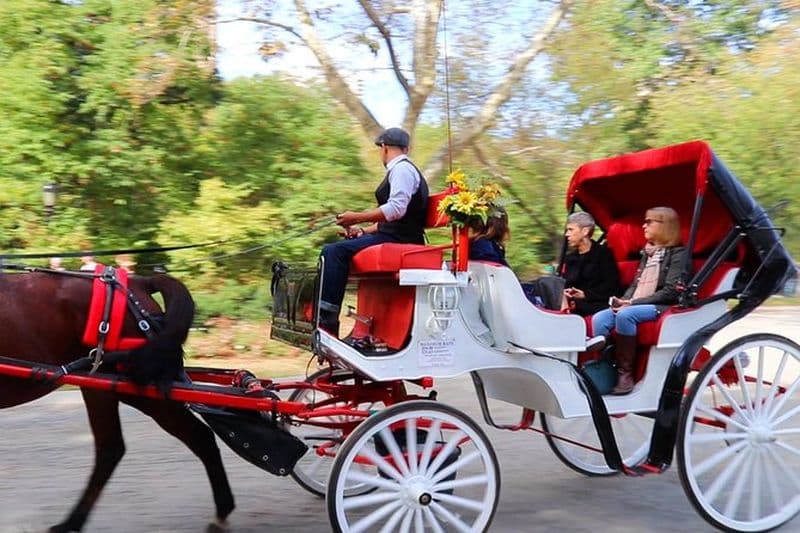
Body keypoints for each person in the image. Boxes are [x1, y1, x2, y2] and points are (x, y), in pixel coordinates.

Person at [318, 127, 429, 336]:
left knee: (333, 252)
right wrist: (362, 231)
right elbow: (394, 219)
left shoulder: (402, 170)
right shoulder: (402, 169)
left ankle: (326, 322)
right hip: (395, 234)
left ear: (384, 148)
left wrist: (357, 216)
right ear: (406, 148)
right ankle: (329, 319)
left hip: (401, 240)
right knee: (337, 250)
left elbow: (396, 209)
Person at [591, 206, 687, 394]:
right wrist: (624, 300)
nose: (644, 226)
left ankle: (624, 373)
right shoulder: (648, 253)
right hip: (638, 303)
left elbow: (670, 292)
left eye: (649, 221)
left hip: (663, 305)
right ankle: (606, 364)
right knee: (600, 318)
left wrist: (632, 304)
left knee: (626, 316)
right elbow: (636, 284)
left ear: (665, 225)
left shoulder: (678, 254)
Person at [559, 212, 620, 316]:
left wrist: (585, 294)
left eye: (571, 229)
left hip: (596, 302)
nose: (567, 234)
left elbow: (611, 285)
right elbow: (567, 283)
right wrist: (568, 293)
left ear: (585, 231)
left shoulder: (603, 254)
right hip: (573, 302)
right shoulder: (571, 258)